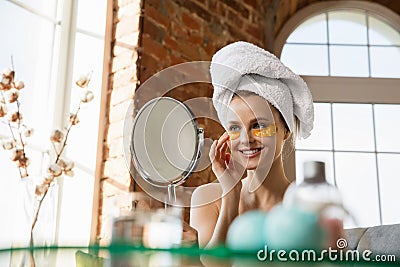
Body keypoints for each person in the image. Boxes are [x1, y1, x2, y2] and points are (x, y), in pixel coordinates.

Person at [190, 41, 318, 248]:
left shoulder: (307, 204)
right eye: (234, 128)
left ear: (285, 130)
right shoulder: (207, 198)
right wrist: (230, 196)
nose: (245, 139)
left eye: (258, 125)